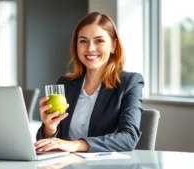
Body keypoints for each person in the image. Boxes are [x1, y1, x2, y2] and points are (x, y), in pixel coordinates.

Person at [34, 12, 144, 152]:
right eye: (83, 41)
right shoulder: (66, 83)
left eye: (99, 41)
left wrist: (75, 145)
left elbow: (129, 138)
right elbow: (52, 141)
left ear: (113, 45)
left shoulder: (130, 82)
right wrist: (49, 128)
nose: (90, 48)